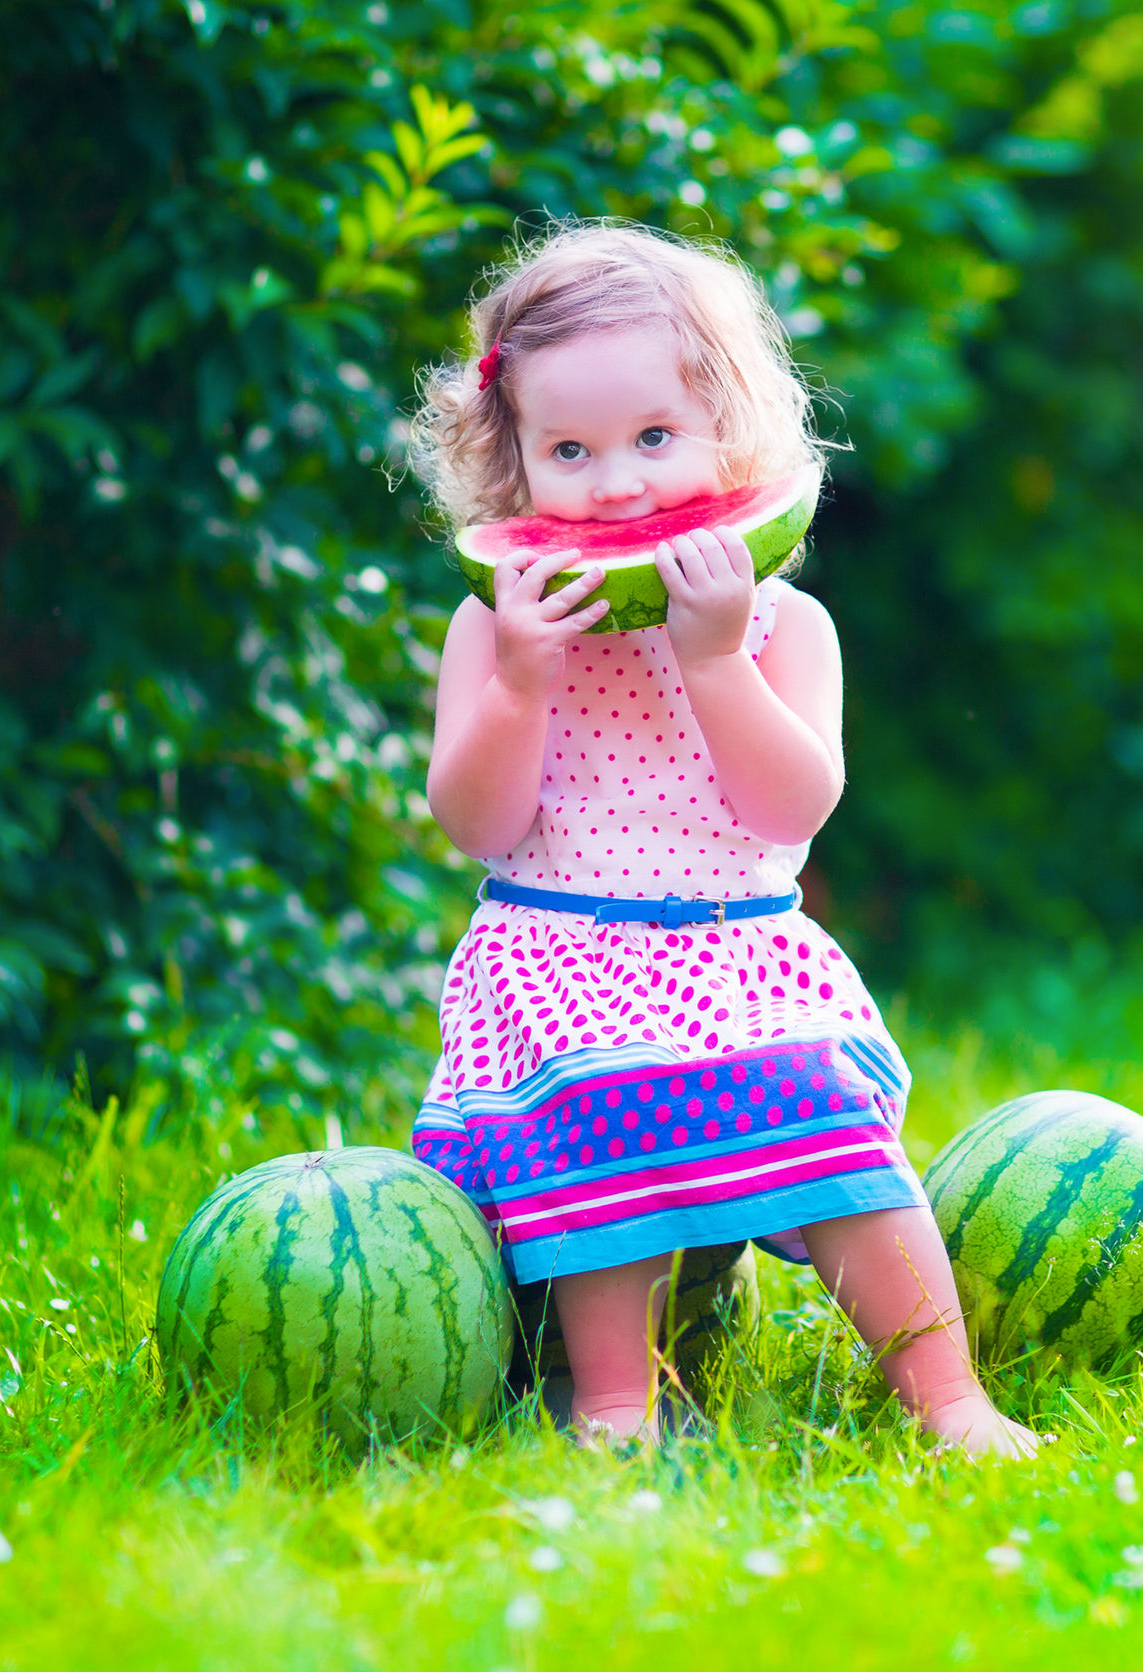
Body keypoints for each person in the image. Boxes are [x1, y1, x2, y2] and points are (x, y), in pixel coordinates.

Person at [407, 223, 1036, 1456]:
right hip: (557, 967)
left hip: (739, 961)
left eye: (655, 437)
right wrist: (523, 684)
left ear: (732, 435)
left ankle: (948, 1394)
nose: (619, 484)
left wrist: (711, 657)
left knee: (844, 1141)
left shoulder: (783, 624)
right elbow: (475, 822)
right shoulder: (495, 634)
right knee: (591, 1147)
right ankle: (614, 1407)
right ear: (513, 466)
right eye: (569, 451)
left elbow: (791, 810)